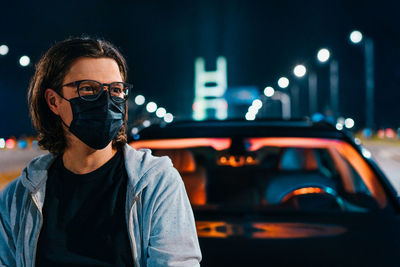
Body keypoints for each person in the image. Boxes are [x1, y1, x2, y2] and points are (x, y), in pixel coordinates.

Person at [0, 37, 201, 266]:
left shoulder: (155, 184)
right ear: (54, 101)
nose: (106, 101)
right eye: (88, 89)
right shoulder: (19, 197)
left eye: (116, 90)